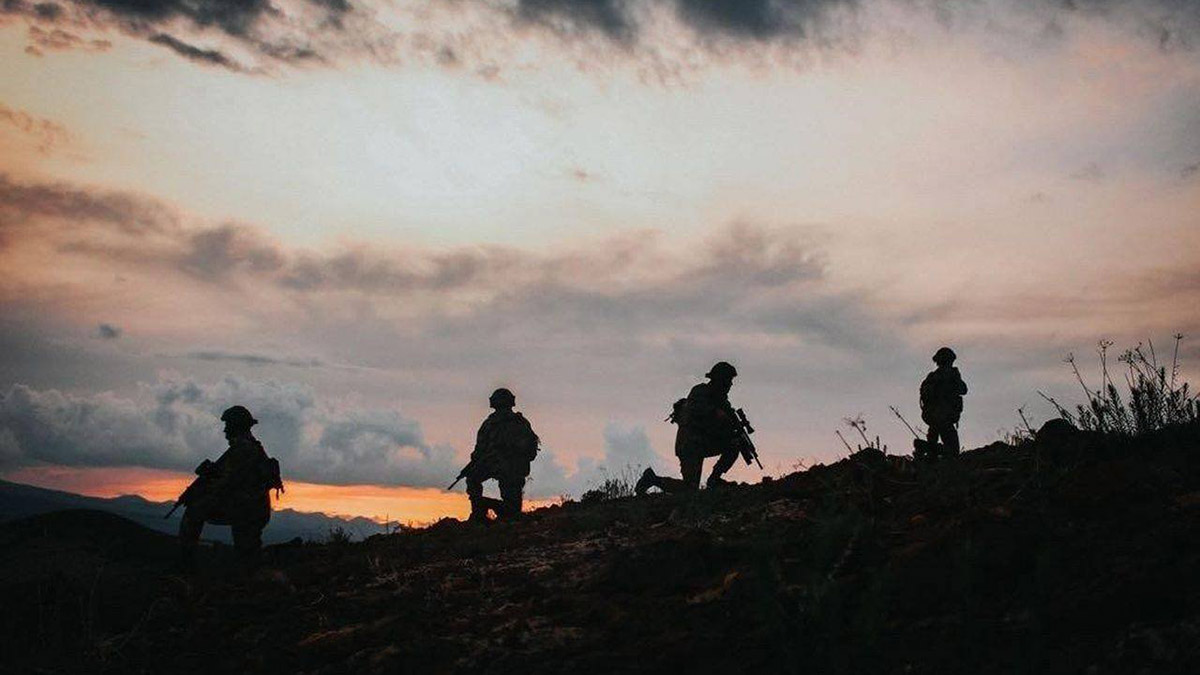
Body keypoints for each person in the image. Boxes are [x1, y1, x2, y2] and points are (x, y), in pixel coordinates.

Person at [178, 405, 280, 569]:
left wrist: (199, 494)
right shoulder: (245, 448)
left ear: (236, 426)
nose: (225, 430)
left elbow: (225, 486)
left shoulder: (244, 450)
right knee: (247, 557)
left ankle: (185, 565)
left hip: (248, 511)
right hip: (250, 509)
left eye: (228, 425)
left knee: (194, 511)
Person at [636, 361, 742, 494]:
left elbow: (720, 427)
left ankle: (714, 479)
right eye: (728, 381)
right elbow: (699, 411)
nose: (730, 385)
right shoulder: (700, 392)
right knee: (690, 489)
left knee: (734, 444)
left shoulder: (722, 401)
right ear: (720, 380)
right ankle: (652, 479)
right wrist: (716, 413)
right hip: (689, 445)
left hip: (703, 442)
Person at [465, 388, 540, 522]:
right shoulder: (521, 422)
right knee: (513, 511)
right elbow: (532, 448)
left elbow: (478, 451)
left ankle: (480, 511)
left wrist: (477, 463)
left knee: (472, 478)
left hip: (499, 467)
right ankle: (483, 511)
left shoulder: (490, 424)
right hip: (517, 470)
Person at [918, 347, 968, 458]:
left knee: (934, 445)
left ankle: (928, 451)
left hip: (934, 417)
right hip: (943, 417)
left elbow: (963, 390)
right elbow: (963, 390)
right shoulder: (947, 377)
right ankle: (931, 452)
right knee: (953, 451)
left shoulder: (932, 377)